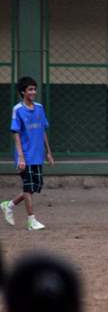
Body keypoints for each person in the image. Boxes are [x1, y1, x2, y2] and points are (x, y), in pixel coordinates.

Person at [1, 76, 54, 231]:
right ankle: (31, 220)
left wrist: (48, 152)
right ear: (23, 92)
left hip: (38, 155)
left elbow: (43, 130)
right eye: (30, 89)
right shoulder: (17, 109)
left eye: (34, 89)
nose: (33, 92)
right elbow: (15, 133)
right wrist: (21, 156)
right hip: (25, 156)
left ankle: (8, 205)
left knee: (33, 187)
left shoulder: (39, 108)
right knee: (28, 187)